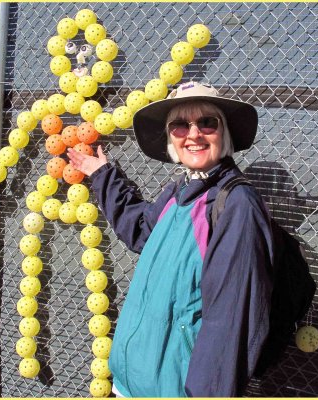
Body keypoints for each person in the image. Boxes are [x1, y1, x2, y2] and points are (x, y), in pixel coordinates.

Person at [67, 81, 274, 397]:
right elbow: (141, 231)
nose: (193, 134)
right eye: (180, 125)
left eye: (207, 122)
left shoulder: (235, 205)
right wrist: (103, 175)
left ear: (226, 132)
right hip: (129, 385)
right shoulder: (179, 191)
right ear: (170, 138)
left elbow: (229, 328)